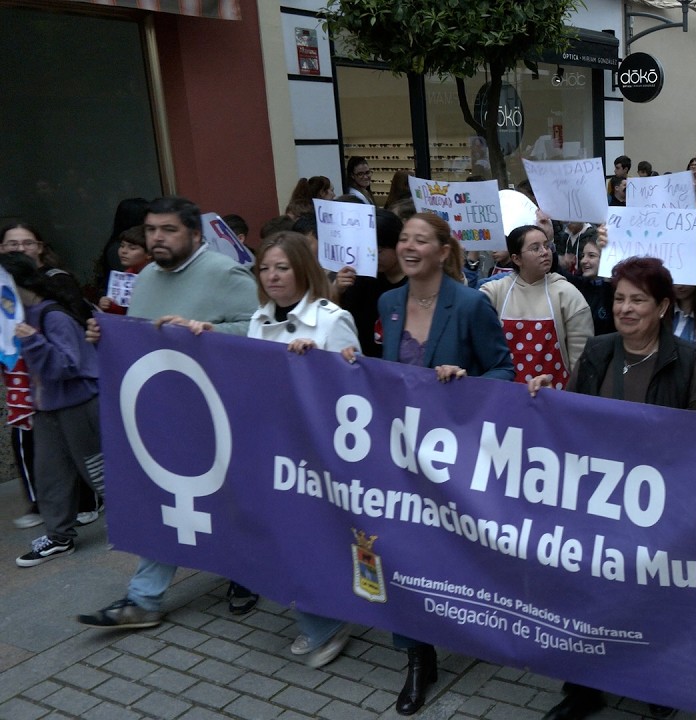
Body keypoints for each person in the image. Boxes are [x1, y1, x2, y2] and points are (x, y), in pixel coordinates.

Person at [527, 257, 696, 720]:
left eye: (638, 300)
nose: (625, 308)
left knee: (653, 597)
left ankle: (658, 681)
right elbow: (571, 419)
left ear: (663, 307)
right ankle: (583, 687)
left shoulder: (689, 363)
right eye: (619, 299)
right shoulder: (598, 352)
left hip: (660, 509)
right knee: (589, 593)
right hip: (596, 503)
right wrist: (547, 396)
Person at [77, 196, 259, 630]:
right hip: (164, 417)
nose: (156, 237)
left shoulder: (225, 273)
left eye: (168, 230)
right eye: (151, 229)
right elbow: (141, 337)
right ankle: (143, 599)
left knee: (231, 500)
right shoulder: (145, 279)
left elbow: (259, 330)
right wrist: (106, 335)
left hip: (220, 415)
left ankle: (246, 574)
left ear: (195, 234)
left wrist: (205, 333)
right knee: (168, 501)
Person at [377, 212, 514, 716]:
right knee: (400, 549)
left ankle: (472, 625)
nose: (409, 247)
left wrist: (467, 382)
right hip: (401, 454)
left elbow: (505, 369)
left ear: (442, 250)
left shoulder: (471, 304)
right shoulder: (389, 302)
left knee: (452, 552)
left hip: (455, 456)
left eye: (421, 240)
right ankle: (417, 657)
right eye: (404, 239)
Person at [244, 231, 359, 667]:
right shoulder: (258, 320)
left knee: (309, 538)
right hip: (273, 446)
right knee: (286, 538)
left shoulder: (331, 319)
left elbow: (355, 388)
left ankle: (326, 623)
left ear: (303, 270)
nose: (272, 276)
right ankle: (323, 614)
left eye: (282, 267)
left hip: (317, 452)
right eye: (264, 268)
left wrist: (319, 366)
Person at [2, 253, 102, 568]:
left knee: (99, 472)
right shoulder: (18, 318)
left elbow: (68, 365)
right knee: (49, 475)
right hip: (46, 408)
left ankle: (139, 522)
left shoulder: (52, 315)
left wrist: (33, 342)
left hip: (78, 406)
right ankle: (59, 537)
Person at [480, 224, 593, 388]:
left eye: (547, 246)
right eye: (535, 248)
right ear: (516, 259)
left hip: (555, 394)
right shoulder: (495, 291)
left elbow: (580, 360)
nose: (545, 252)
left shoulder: (568, 294)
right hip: (504, 394)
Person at [340, 209, 405, 358]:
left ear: (397, 245)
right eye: (367, 250)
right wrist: (337, 290)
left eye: (379, 251)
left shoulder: (413, 283)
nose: (373, 256)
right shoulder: (363, 277)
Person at [97, 225, 150, 315]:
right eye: (122, 246)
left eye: (132, 248)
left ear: (149, 254)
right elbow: (122, 310)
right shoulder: (127, 275)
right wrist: (107, 304)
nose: (124, 251)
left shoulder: (159, 276)